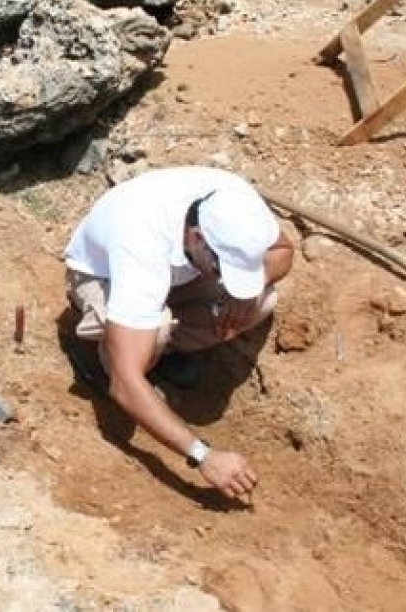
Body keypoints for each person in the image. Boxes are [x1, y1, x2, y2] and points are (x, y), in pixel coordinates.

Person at [64, 167, 294, 501]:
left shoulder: (238, 205)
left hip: (178, 276)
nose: (225, 279)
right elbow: (125, 382)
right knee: (151, 335)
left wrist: (249, 289)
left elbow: (283, 252)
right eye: (222, 270)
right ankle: (115, 357)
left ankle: (160, 352)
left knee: (262, 302)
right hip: (103, 278)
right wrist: (203, 455)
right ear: (197, 239)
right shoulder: (142, 248)